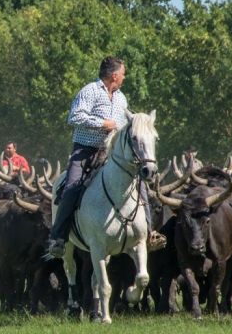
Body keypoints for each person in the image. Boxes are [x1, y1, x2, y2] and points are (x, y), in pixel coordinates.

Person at [47, 56, 164, 257]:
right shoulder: (89, 91)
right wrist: (102, 123)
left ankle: (149, 232)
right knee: (70, 187)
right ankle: (58, 238)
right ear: (114, 75)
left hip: (112, 153)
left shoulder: (121, 98)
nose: (124, 77)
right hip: (84, 150)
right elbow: (74, 116)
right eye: (123, 74)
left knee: (141, 184)